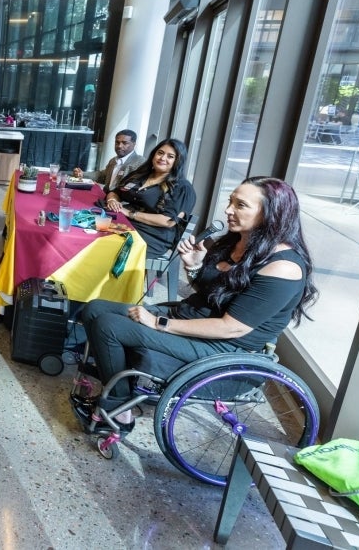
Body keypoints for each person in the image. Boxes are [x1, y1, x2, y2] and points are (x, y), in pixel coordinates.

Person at [77, 177, 317, 433]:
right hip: (191, 319)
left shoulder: (283, 267)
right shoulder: (237, 241)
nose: (228, 210)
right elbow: (212, 295)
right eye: (230, 201)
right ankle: (117, 386)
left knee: (109, 326)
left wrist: (160, 323)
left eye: (240, 205)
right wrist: (194, 267)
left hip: (223, 347)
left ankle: (118, 411)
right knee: (95, 308)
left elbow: (231, 328)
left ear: (272, 213)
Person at [103, 137, 196, 253]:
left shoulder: (183, 188)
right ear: (153, 154)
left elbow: (168, 221)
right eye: (160, 153)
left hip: (151, 236)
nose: (162, 158)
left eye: (170, 156)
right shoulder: (140, 174)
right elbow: (116, 191)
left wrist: (130, 213)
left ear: (178, 161)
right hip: (125, 224)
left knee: (104, 244)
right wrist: (112, 200)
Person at [73, 129, 144, 191]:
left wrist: (111, 196)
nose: (119, 146)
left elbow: (132, 187)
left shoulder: (139, 162)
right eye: (117, 142)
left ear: (134, 144)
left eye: (125, 143)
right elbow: (101, 176)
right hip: (105, 197)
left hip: (121, 203)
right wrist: (83, 174)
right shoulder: (113, 160)